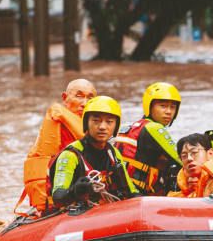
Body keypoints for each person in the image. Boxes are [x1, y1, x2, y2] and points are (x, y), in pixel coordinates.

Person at [15, 79, 97, 216]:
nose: (85, 103)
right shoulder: (57, 125)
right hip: (60, 199)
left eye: (90, 98)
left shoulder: (96, 128)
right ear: (65, 98)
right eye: (79, 96)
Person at [47, 96, 140, 210]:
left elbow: (132, 192)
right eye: (96, 121)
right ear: (86, 123)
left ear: (116, 126)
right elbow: (58, 198)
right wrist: (76, 190)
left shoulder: (113, 154)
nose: (102, 127)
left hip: (107, 213)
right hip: (76, 217)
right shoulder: (71, 154)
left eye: (109, 121)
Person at [114, 82, 182, 196]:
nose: (169, 111)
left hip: (121, 192)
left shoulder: (135, 126)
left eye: (173, 107)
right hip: (140, 196)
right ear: (149, 106)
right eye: (163, 106)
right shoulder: (154, 128)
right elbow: (181, 159)